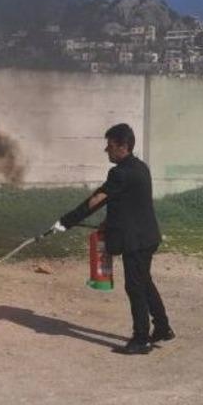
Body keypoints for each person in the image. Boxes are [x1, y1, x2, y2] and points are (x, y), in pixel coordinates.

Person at [52, 123, 173, 355]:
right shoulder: (140, 167)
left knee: (135, 287)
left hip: (136, 241)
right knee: (144, 282)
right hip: (147, 236)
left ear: (123, 147)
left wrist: (67, 220)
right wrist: (109, 223)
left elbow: (97, 199)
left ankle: (141, 340)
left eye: (110, 146)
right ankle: (163, 328)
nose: (106, 150)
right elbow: (128, 203)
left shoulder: (119, 173)